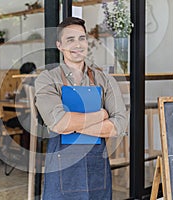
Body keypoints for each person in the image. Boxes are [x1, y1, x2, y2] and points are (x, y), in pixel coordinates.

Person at [35, 17, 128, 199]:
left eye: (82, 38)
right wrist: (101, 114)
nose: (78, 44)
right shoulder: (47, 79)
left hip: (96, 167)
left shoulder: (105, 80)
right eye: (70, 40)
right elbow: (59, 123)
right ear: (59, 45)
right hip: (62, 168)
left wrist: (73, 125)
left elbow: (119, 124)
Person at [6, 62, 37, 150]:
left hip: (36, 118)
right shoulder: (26, 84)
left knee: (23, 125)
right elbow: (20, 97)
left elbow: (32, 101)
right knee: (11, 122)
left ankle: (24, 152)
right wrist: (13, 95)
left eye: (23, 76)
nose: (22, 79)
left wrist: (25, 86)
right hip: (28, 115)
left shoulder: (34, 84)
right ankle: (17, 151)